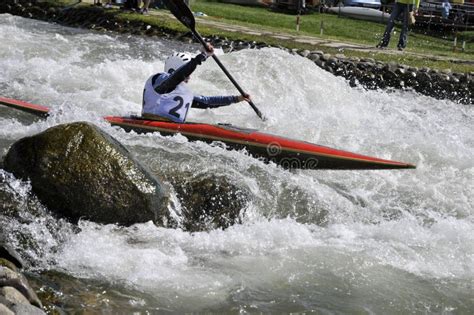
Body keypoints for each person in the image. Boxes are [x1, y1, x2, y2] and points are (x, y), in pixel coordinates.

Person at [142, 44, 251, 123]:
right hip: (150, 122)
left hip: (171, 126)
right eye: (188, 72)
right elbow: (176, 78)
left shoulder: (180, 91)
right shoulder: (160, 79)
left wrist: (237, 98)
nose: (189, 76)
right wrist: (202, 56)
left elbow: (207, 102)